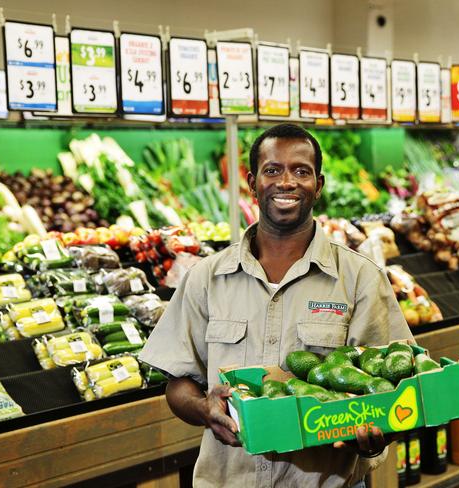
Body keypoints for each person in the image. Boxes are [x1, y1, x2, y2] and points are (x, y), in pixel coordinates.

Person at [140, 123, 414, 487]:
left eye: (301, 171)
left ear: (319, 185)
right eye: (273, 170)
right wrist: (205, 409)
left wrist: (377, 433)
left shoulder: (360, 278)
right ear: (252, 183)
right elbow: (178, 387)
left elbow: (397, 388)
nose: (286, 182)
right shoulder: (205, 277)